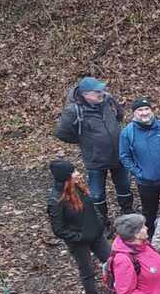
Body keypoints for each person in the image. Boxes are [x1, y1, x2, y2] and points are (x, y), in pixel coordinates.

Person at [55, 76, 133, 223]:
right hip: (95, 160)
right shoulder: (73, 110)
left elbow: (119, 114)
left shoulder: (108, 100)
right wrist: (84, 141)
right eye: (96, 91)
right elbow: (61, 133)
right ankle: (102, 222)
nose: (101, 93)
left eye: (101, 89)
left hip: (118, 155)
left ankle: (128, 212)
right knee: (97, 194)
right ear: (85, 94)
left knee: (124, 186)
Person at [46, 159, 112, 294]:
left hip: (96, 235)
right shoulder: (55, 200)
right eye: (74, 172)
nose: (78, 174)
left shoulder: (78, 188)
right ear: (66, 177)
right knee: (87, 270)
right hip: (79, 241)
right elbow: (58, 230)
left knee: (112, 260)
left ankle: (117, 289)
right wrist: (79, 237)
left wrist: (100, 222)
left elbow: (91, 207)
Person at [118, 99, 160, 228]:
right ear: (134, 113)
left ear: (152, 111)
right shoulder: (128, 133)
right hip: (146, 182)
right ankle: (150, 238)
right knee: (149, 213)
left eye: (147, 109)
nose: (144, 113)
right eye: (140, 110)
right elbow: (124, 156)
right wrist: (139, 173)